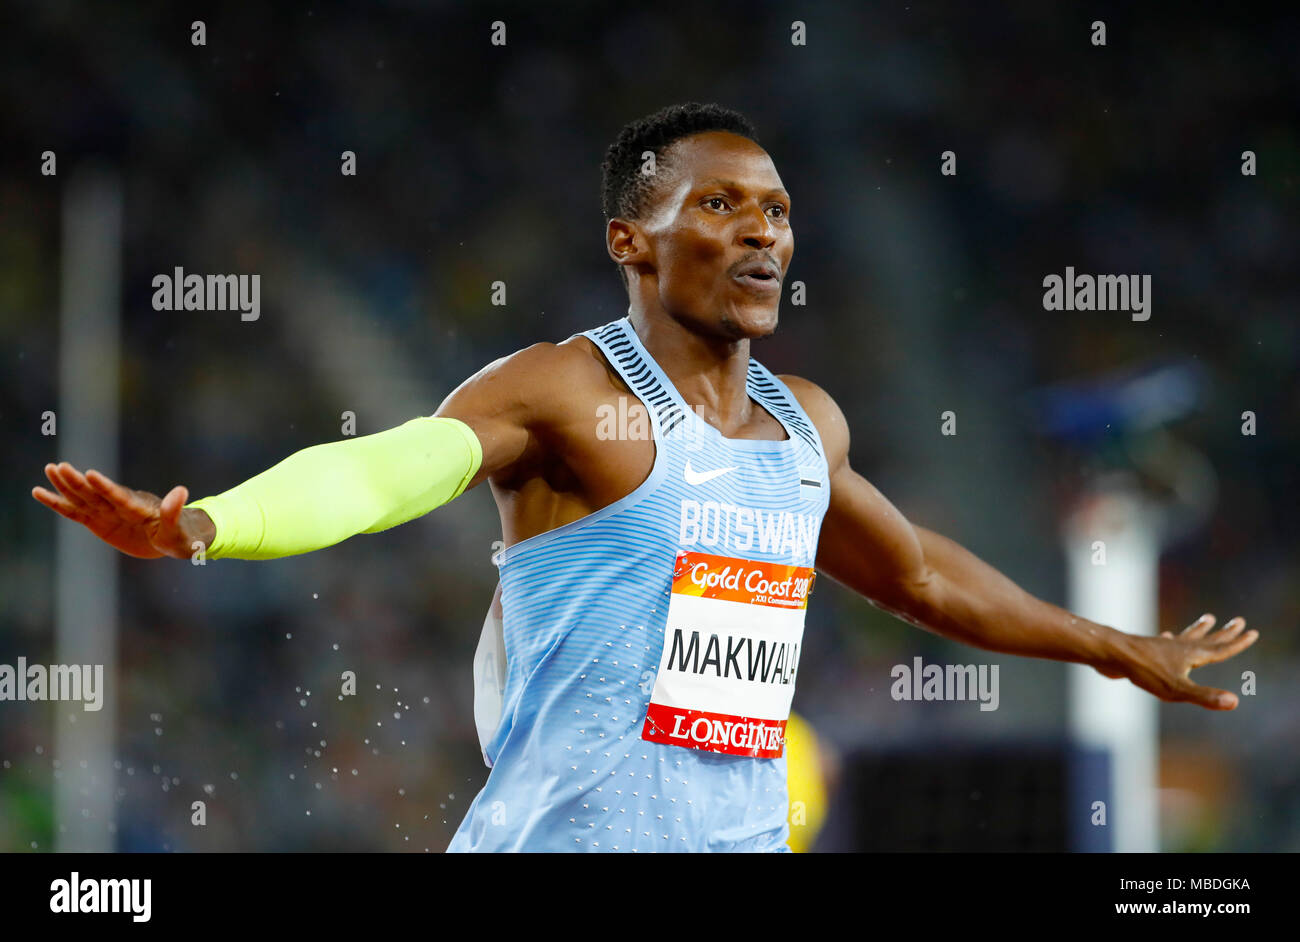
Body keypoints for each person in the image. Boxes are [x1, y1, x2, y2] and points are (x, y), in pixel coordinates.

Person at [32, 102, 1258, 853]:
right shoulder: (567, 393)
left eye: (777, 210)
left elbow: (924, 573)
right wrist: (216, 528)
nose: (763, 232)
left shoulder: (802, 427)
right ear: (631, 240)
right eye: (719, 205)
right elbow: (388, 469)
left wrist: (1109, 645)